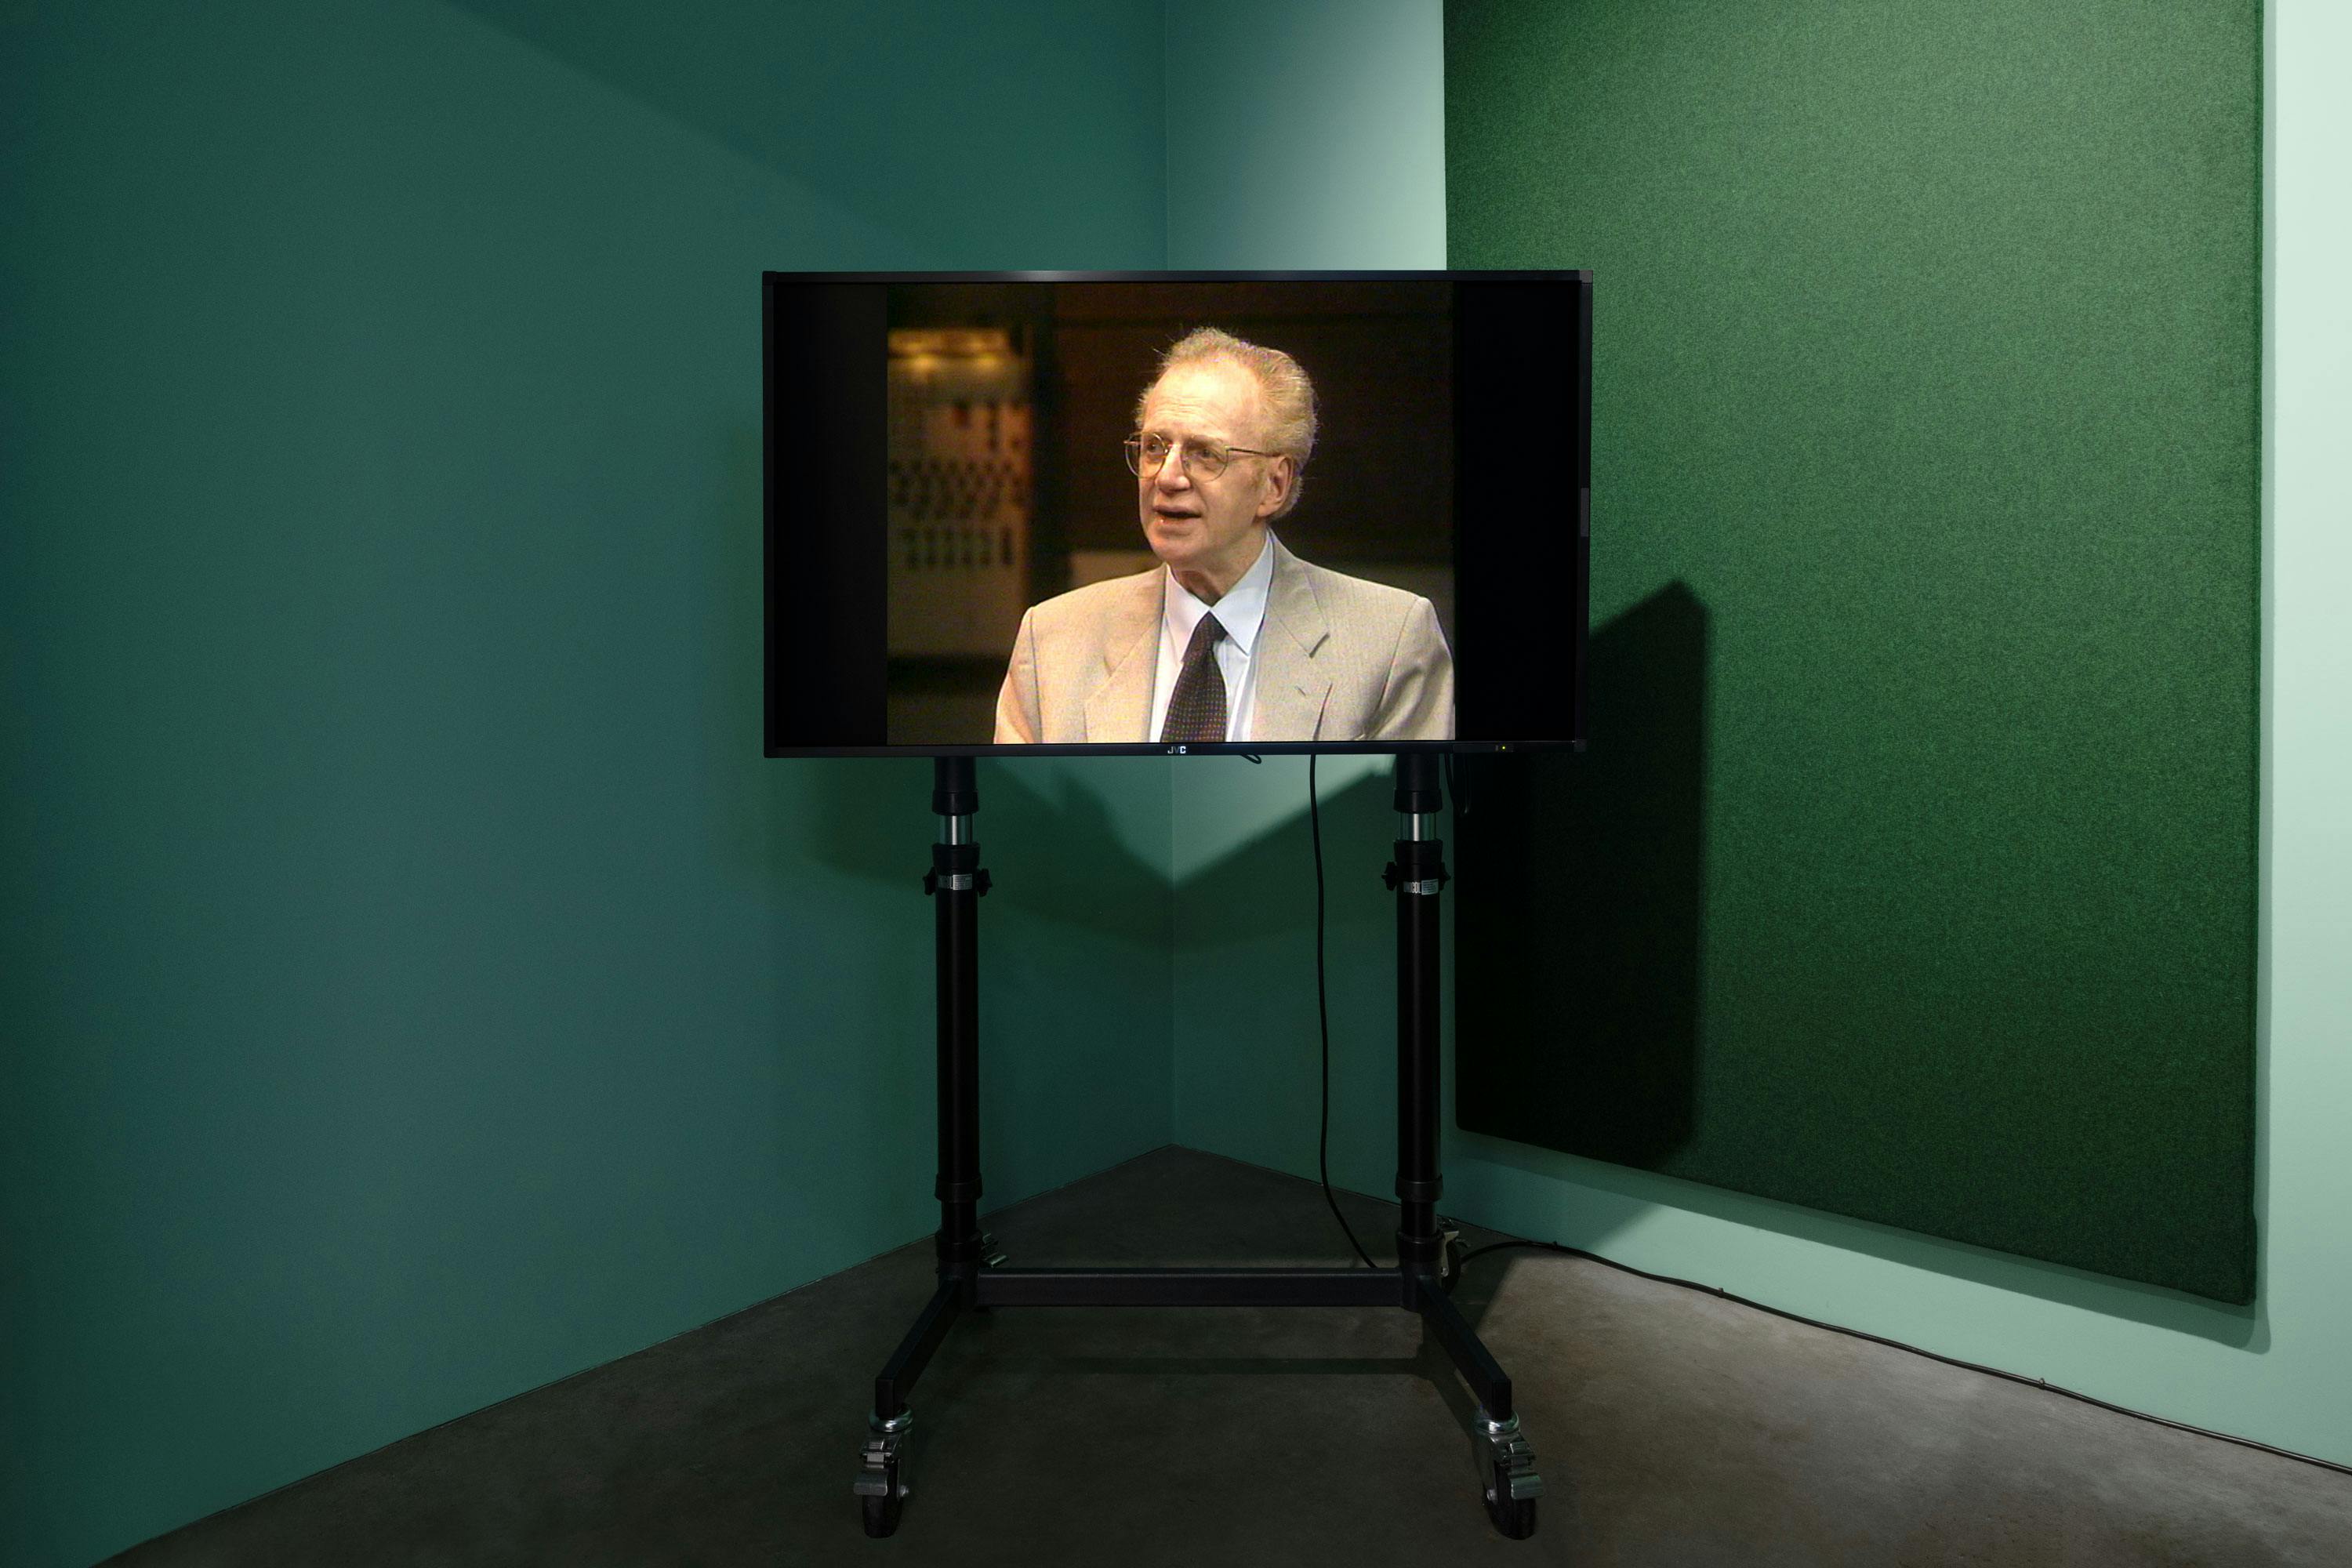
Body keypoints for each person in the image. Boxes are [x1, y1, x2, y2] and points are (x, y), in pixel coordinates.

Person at [993, 327, 1455, 745]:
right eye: (1155, 448)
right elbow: (1020, 827)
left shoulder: (1390, 642)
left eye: (1204, 453)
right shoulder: (1052, 639)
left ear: (1273, 485)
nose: (1167, 477)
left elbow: (1399, 830)